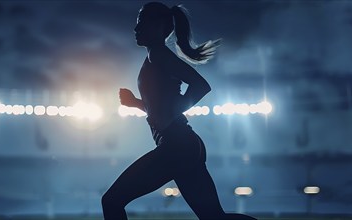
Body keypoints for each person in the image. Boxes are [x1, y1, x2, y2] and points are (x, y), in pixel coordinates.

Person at [101, 2, 257, 220]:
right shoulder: (155, 57)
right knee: (214, 217)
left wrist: (173, 113)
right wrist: (136, 103)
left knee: (111, 201)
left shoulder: (158, 55)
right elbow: (160, 108)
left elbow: (200, 85)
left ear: (159, 26)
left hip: (176, 147)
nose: (136, 29)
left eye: (141, 23)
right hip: (184, 146)